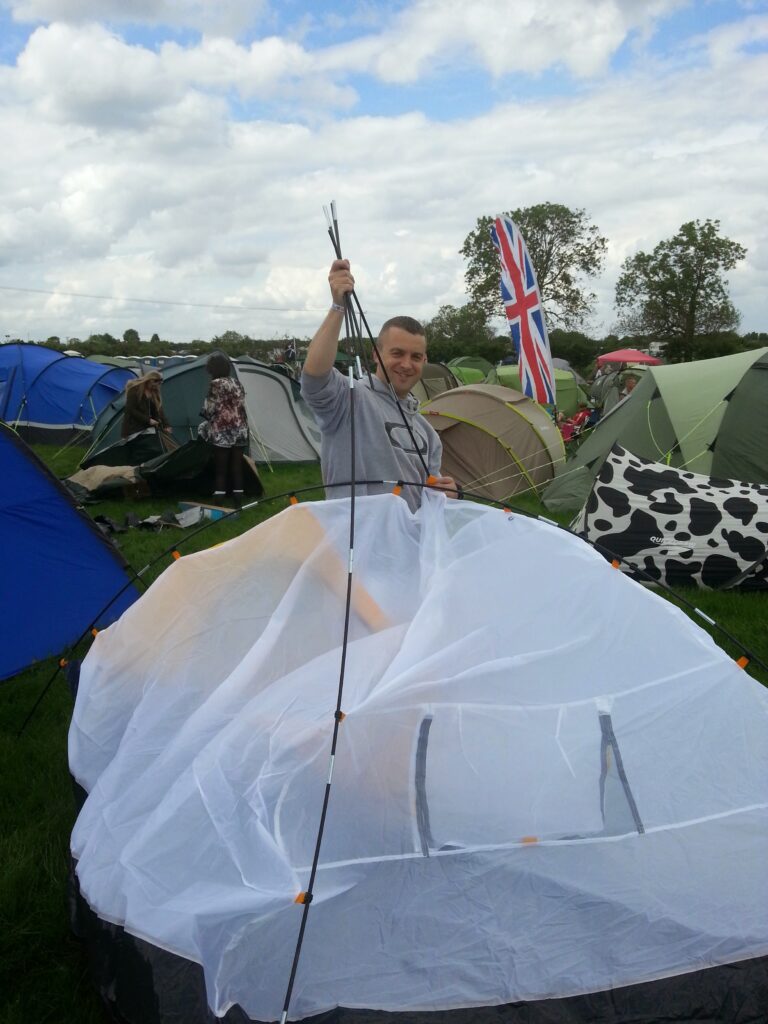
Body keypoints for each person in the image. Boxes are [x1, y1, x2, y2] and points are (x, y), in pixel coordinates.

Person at [301, 259, 457, 512]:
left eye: (416, 357)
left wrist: (449, 493)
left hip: (410, 545)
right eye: (397, 353)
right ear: (376, 354)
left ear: (425, 361)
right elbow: (314, 378)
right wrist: (337, 306)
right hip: (354, 546)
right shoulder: (349, 399)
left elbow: (430, 498)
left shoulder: (427, 433)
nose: (406, 364)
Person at [199, 353, 249, 505]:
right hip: (241, 429)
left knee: (221, 469)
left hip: (222, 430)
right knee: (237, 466)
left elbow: (209, 409)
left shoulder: (216, 384)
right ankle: (238, 503)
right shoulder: (237, 383)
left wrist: (205, 415)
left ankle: (218, 503)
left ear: (213, 369)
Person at [121, 370, 169, 438]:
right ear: (150, 381)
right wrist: (148, 420)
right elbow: (130, 409)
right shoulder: (134, 390)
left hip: (146, 428)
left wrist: (166, 425)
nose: (158, 386)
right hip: (132, 429)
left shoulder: (154, 392)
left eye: (160, 384)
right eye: (157, 384)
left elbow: (159, 409)